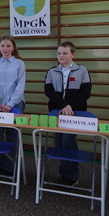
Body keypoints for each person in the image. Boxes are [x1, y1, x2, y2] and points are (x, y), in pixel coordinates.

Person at [44, 41, 92, 186]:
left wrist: (69, 107)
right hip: (58, 110)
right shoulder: (51, 71)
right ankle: (63, 173)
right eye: (59, 53)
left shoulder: (82, 70)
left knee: (68, 141)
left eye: (65, 53)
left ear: (73, 54)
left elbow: (85, 93)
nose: (61, 56)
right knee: (58, 141)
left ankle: (71, 176)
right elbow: (49, 92)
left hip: (75, 112)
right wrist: (63, 105)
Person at [0, 36, 26, 175]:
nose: (5, 48)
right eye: (2, 46)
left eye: (8, 46)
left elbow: (20, 86)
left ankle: (9, 166)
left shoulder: (19, 63)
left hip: (15, 103)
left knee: (12, 135)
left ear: (13, 48)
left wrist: (10, 104)